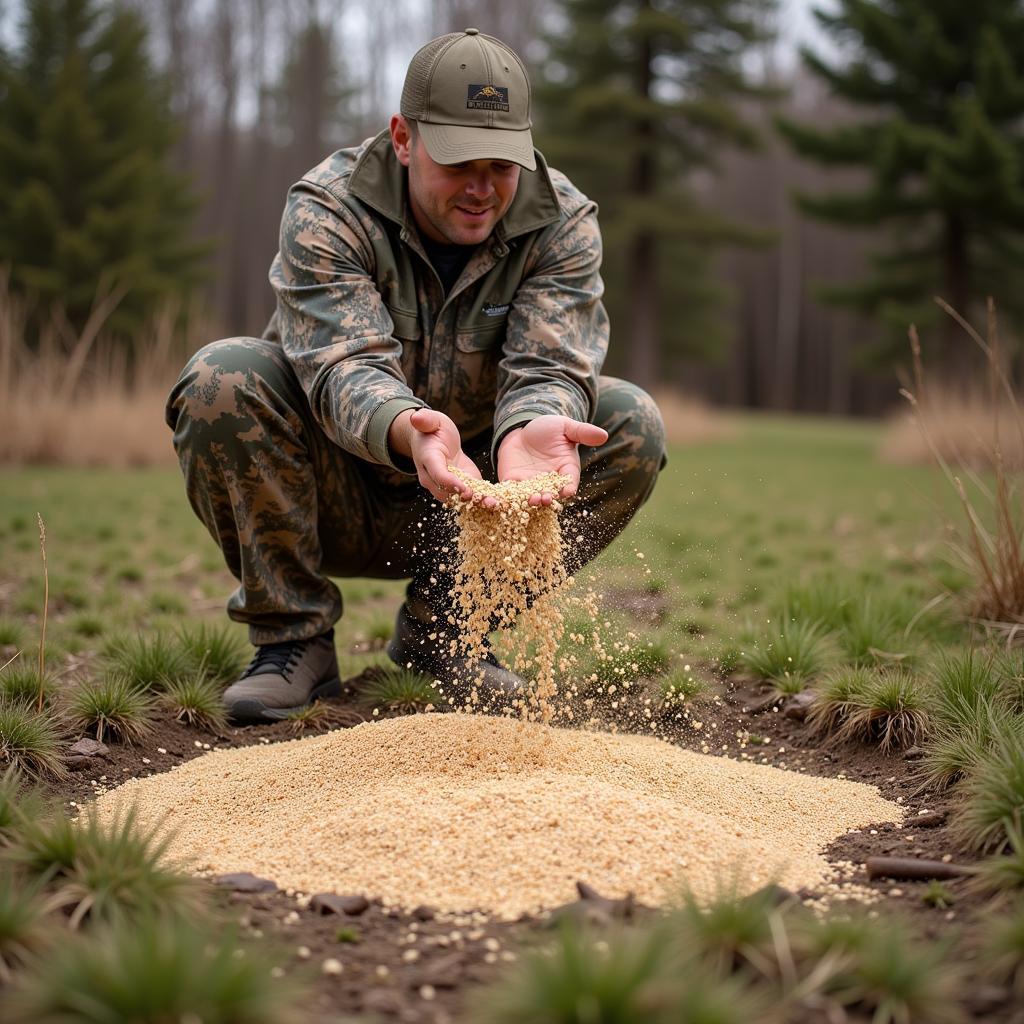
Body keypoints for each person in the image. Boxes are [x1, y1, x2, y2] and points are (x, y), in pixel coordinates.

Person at [165, 28, 666, 723]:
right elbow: (345, 363)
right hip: (331, 486)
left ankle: (449, 630)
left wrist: (533, 424)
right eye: (460, 163)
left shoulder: (561, 222)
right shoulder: (328, 208)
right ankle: (294, 640)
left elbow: (552, 362)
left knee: (631, 422)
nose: (483, 189)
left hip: (477, 502)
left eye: (502, 163)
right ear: (403, 138)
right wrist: (408, 428)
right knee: (221, 376)